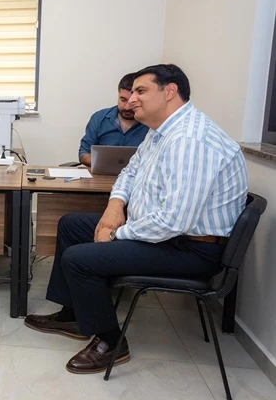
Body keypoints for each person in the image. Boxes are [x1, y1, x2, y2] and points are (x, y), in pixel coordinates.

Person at [24, 64, 248, 374]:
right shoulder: (161, 132)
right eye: (130, 93)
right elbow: (130, 171)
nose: (131, 100)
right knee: (72, 224)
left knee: (79, 259)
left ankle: (111, 342)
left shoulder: (190, 140)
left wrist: (116, 234)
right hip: (168, 235)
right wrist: (115, 206)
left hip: (190, 248)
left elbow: (173, 222)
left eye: (141, 91)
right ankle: (73, 315)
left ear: (169, 92)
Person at [78, 73, 150, 166]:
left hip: (137, 173)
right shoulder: (99, 118)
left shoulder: (151, 123)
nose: (127, 107)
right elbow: (83, 153)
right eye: (123, 100)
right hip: (102, 173)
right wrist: (102, 164)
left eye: (133, 102)